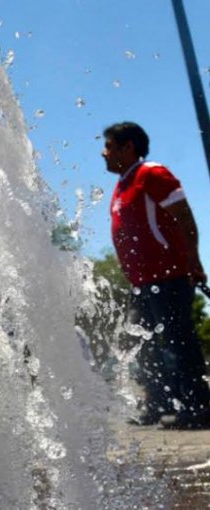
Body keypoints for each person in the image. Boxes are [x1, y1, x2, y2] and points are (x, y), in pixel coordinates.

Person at [102, 121, 210, 429]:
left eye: (109, 146)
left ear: (128, 147)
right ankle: (158, 403)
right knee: (143, 345)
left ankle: (197, 407)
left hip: (169, 276)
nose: (103, 152)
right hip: (141, 283)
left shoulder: (151, 173)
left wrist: (193, 261)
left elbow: (184, 216)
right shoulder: (122, 184)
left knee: (179, 341)